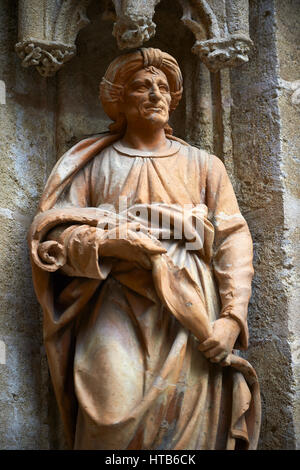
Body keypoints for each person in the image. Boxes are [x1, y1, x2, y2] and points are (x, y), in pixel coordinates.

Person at [28, 48, 260, 450]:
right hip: (114, 299)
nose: (155, 95)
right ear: (119, 97)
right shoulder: (93, 164)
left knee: (184, 425)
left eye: (163, 88)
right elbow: (55, 236)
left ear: (173, 98)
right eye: (141, 86)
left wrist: (231, 319)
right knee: (107, 414)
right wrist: (108, 243)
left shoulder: (204, 165)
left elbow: (232, 239)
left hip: (189, 307)